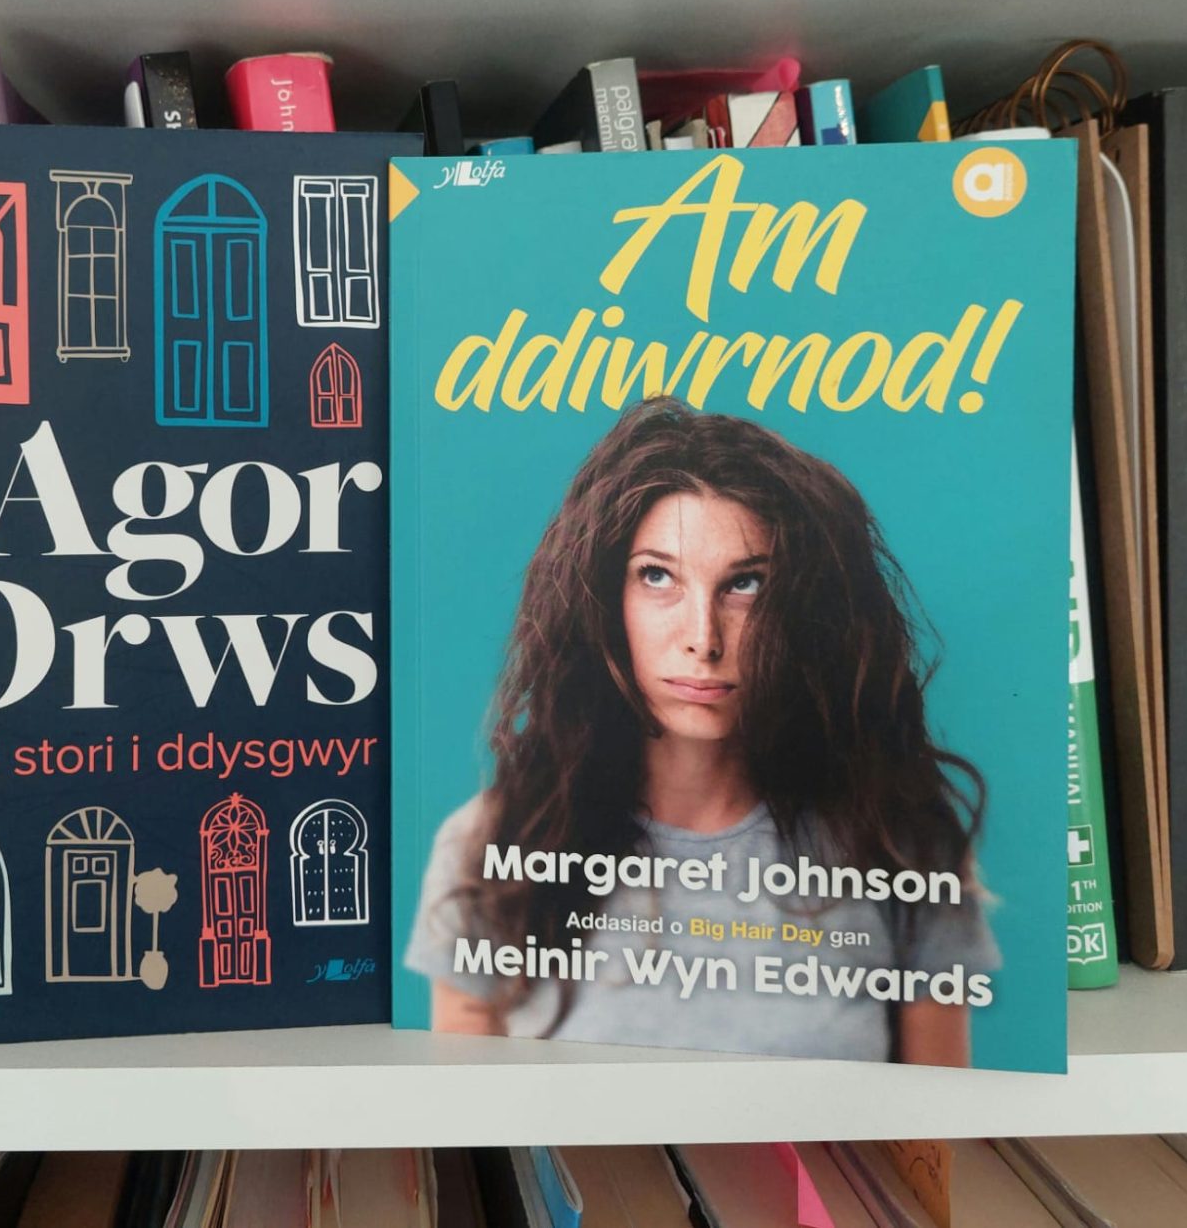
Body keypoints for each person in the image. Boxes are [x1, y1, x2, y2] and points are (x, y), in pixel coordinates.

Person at [404, 396, 996, 1065]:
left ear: (806, 609)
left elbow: (931, 1133)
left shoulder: (899, 842)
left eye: (745, 585)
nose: (703, 639)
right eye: (657, 576)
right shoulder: (490, 845)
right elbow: (468, 1131)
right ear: (604, 598)